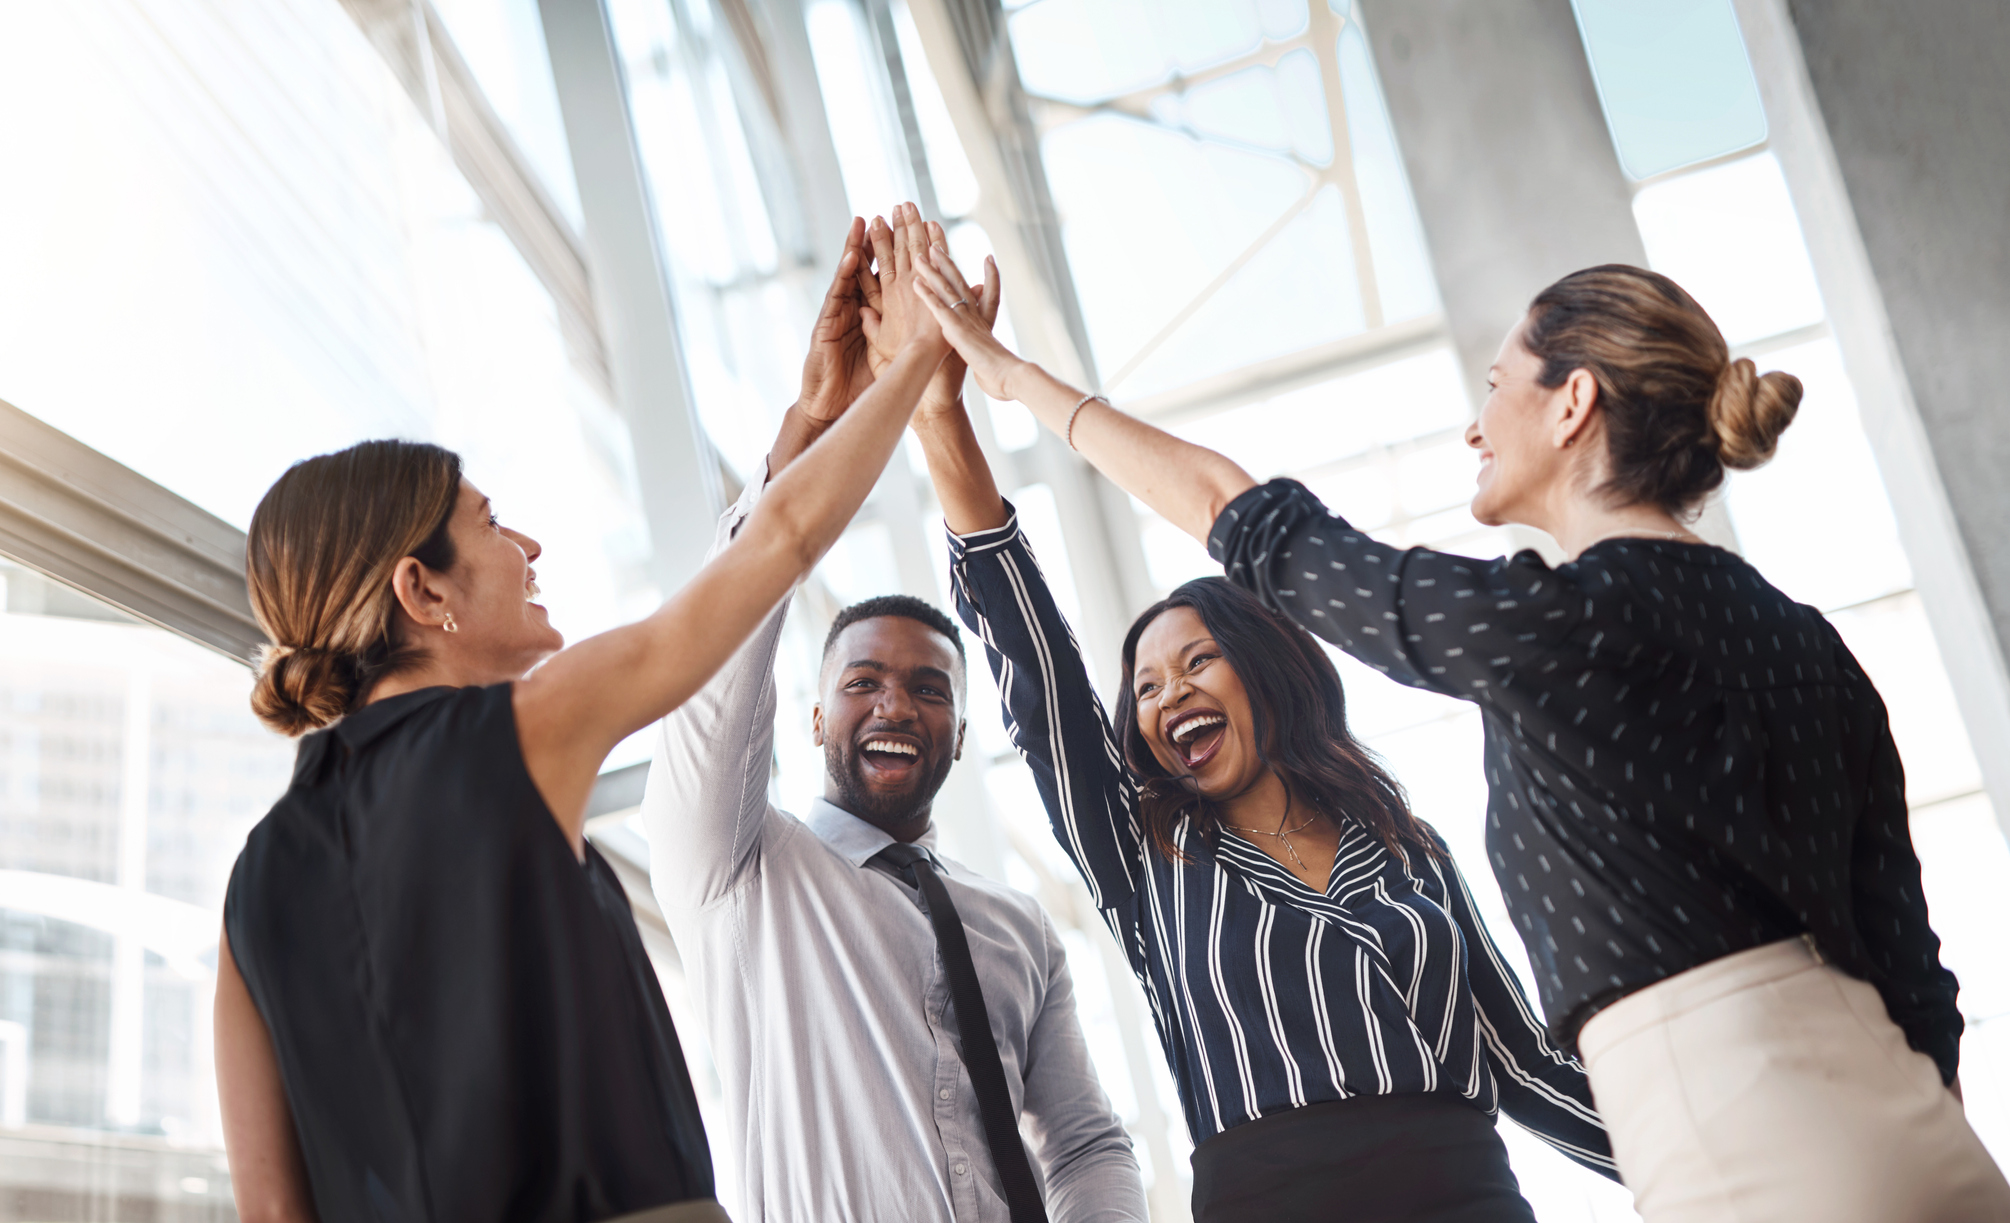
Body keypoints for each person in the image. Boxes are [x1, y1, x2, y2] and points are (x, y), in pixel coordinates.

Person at [910, 254, 2010, 1222]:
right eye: (1143, 682)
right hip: (1904, 1128)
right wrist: (948, 416)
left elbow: (1243, 516)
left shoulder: (1527, 637)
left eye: (1493, 388)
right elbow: (1909, 973)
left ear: (1572, 401)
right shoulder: (1809, 645)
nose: (1475, 424)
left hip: (1706, 1131)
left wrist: (1011, 377)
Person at [211, 210, 956, 1223]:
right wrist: (921, 351)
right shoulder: (512, 735)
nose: (526, 545)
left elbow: (268, 1208)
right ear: (423, 593)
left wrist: (809, 415)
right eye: (485, 523)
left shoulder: (253, 881)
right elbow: (774, 546)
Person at [905, 303, 1613, 1223]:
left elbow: (1525, 1063)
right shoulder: (1144, 854)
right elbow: (1040, 680)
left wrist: (1720, 1159)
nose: (1168, 695)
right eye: (1146, 686)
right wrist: (941, 415)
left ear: (1266, 673)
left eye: (1197, 661)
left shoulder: (1408, 847)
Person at [640, 205, 1144, 1223]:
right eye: (863, 680)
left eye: (929, 689)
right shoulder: (735, 866)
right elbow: (717, 659)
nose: (895, 705)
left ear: (960, 734)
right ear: (812, 712)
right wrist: (813, 422)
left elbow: (1085, 1139)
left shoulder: (1015, 929)